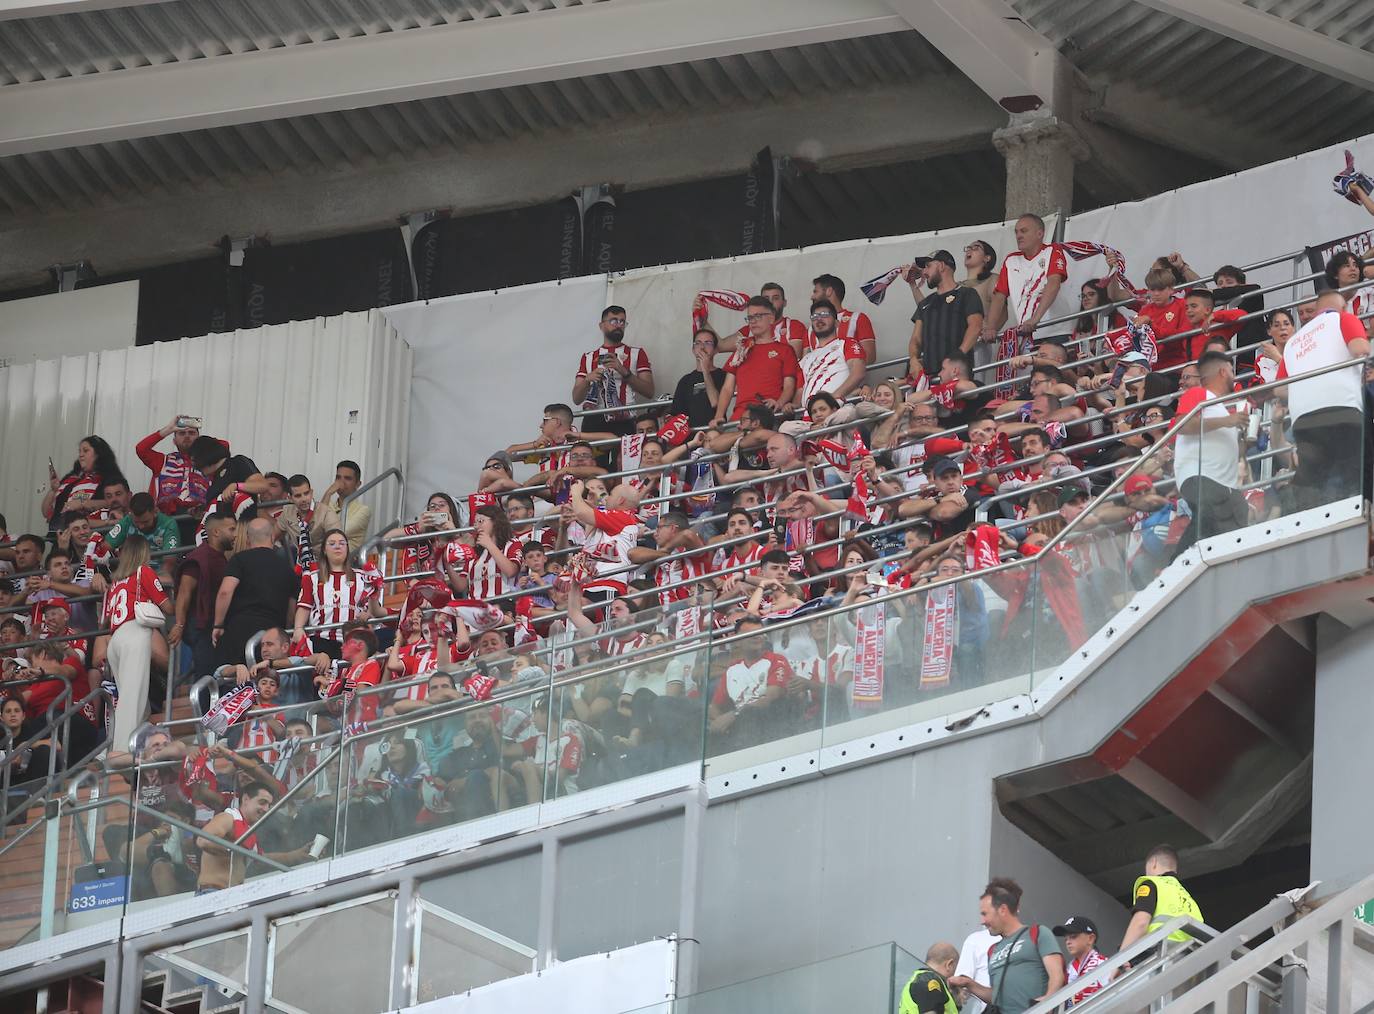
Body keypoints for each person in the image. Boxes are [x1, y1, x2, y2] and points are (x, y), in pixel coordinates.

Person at [1275, 289, 1371, 509]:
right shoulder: (1343, 318)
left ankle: (1300, 516)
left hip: (1304, 419)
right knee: (1355, 469)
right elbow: (1361, 348)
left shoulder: (1294, 341)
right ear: (1342, 307)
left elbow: (1279, 389)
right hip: (1342, 409)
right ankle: (1358, 514)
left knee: (1311, 476)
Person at [99, 534, 173, 756]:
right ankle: (120, 753)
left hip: (115, 639)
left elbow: (104, 619)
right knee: (133, 699)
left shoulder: (115, 582)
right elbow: (167, 607)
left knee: (135, 700)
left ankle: (135, 745)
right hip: (135, 633)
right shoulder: (144, 572)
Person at [950, 877, 1065, 1014]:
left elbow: (1057, 975)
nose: (982, 921)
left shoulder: (1038, 933)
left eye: (985, 914)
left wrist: (1047, 1003)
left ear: (1003, 910)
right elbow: (995, 997)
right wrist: (969, 984)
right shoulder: (992, 950)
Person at [1173, 351, 1249, 549]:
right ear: (1223, 372)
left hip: (1221, 484)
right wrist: (1228, 421)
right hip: (1201, 477)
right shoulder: (1199, 394)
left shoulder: (1220, 408)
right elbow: (1182, 424)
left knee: (1237, 510)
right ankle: (1176, 564)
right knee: (1211, 515)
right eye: (1232, 371)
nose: (1234, 376)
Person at [212, 518, 300, 668]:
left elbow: (225, 592)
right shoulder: (287, 569)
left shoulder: (239, 560)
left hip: (237, 630)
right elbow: (291, 612)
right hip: (270, 636)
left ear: (247, 540)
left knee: (233, 682)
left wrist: (218, 624)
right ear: (272, 537)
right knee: (265, 682)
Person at [195, 781, 311, 893]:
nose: (266, 809)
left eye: (269, 805)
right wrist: (233, 851)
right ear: (246, 799)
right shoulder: (228, 817)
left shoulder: (248, 832)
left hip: (231, 895)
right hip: (212, 893)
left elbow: (261, 859)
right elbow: (203, 840)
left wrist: (297, 855)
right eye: (262, 802)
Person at [293, 529, 385, 658]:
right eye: (332, 543)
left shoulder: (362, 576)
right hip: (322, 640)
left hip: (355, 640)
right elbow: (304, 606)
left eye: (342, 543)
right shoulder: (312, 578)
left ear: (347, 548)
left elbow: (374, 606)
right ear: (324, 550)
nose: (337, 546)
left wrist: (368, 613)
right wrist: (298, 628)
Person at [982, 214, 1069, 351]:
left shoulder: (1052, 250)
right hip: (1028, 333)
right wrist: (991, 327)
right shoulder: (1011, 261)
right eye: (1016, 232)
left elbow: (1054, 284)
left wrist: (1035, 319)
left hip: (1055, 330)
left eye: (1024, 231)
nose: (1018, 236)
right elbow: (999, 296)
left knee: (1055, 371)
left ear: (1039, 233)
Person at [712, 297, 803, 423]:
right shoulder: (742, 348)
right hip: (739, 419)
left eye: (758, 316)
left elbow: (789, 386)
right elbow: (727, 388)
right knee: (711, 438)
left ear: (771, 318)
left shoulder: (785, 350)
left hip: (767, 416)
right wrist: (719, 416)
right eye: (750, 318)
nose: (753, 322)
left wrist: (780, 403)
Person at [171, 509, 236, 679]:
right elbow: (184, 593)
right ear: (216, 532)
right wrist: (179, 625)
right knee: (205, 674)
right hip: (199, 626)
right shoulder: (199, 558)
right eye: (231, 529)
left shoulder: (219, 557)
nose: (235, 535)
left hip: (213, 626)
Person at [571, 305, 655, 433]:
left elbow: (649, 392)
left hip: (625, 419)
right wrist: (587, 380)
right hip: (594, 419)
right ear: (601, 325)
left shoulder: (637, 353)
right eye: (614, 321)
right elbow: (576, 398)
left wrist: (624, 371)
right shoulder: (588, 357)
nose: (618, 325)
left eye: (622, 322)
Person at [908, 249, 985, 380]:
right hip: (929, 379)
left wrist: (957, 356)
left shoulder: (967, 294)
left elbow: (975, 327)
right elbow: (916, 338)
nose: (924, 272)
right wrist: (913, 360)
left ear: (942, 266)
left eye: (928, 266)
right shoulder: (925, 303)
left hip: (958, 376)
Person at [1119, 843, 1203, 951]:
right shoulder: (1189, 899)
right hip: (1190, 957)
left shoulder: (1153, 883)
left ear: (1153, 863)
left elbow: (1140, 923)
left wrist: (1121, 957)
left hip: (1160, 953)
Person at [135, 415, 212, 527]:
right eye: (181, 433)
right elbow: (141, 449)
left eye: (191, 433)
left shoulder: (209, 463)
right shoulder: (162, 461)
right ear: (174, 441)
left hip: (198, 519)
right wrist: (169, 429)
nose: (187, 436)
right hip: (166, 519)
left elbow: (225, 446)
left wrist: (202, 443)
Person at [42, 435, 126, 533]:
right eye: (80, 451)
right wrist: (53, 490)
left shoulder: (109, 477)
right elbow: (45, 512)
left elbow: (117, 502)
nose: (81, 455)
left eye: (85, 451)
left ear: (99, 454)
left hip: (89, 535)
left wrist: (82, 504)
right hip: (60, 536)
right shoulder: (71, 478)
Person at [798, 299, 867, 406]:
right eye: (814, 317)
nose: (819, 319)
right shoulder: (806, 359)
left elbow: (858, 373)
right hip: (808, 417)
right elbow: (800, 390)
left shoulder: (846, 344)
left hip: (838, 409)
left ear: (836, 323)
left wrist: (831, 399)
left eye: (825, 315)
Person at [811, 273, 877, 364]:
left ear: (829, 291)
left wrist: (837, 368)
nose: (812, 297)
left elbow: (870, 357)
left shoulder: (857, 319)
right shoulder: (812, 326)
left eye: (815, 292)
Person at [275, 474, 339, 567]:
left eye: (306, 493)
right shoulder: (287, 513)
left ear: (311, 492)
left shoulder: (326, 513)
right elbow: (271, 537)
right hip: (300, 563)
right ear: (290, 498)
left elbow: (337, 545)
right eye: (298, 496)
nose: (304, 499)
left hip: (325, 563)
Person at [671, 328, 729, 428]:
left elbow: (716, 403)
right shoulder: (685, 380)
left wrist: (705, 370)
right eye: (698, 343)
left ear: (715, 350)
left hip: (716, 431)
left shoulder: (724, 375)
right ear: (693, 350)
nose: (702, 347)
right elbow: (677, 414)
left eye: (708, 343)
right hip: (692, 437)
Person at [188, 436, 270, 505]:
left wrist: (237, 486)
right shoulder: (214, 480)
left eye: (195, 461)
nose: (195, 467)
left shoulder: (237, 462)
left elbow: (262, 485)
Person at [1051, 916, 1108, 1008]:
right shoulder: (1069, 970)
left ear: (1090, 939)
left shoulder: (1102, 964)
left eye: (1073, 937)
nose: (1068, 942)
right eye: (1066, 938)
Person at [899, 942, 960, 1014]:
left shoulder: (919, 979)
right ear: (949, 965)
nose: (956, 976)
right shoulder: (929, 980)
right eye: (956, 970)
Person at [325, 460, 371, 552]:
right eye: (338, 478)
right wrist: (328, 493)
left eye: (347, 478)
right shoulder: (328, 505)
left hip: (346, 561)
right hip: (323, 557)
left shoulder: (363, 510)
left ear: (358, 484)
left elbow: (338, 534)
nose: (341, 482)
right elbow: (314, 527)